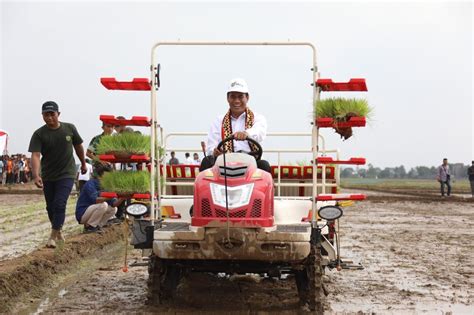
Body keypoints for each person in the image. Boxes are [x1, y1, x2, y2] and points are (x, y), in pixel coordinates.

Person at [28, 101, 87, 248]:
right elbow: (35, 155)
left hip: (67, 173)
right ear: (42, 115)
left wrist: (84, 163)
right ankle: (58, 229)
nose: (49, 118)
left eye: (52, 114)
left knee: (60, 203)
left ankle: (52, 237)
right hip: (48, 175)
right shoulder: (39, 134)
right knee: (50, 207)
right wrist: (36, 175)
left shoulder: (69, 129)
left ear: (58, 114)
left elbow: (78, 146)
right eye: (46, 115)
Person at [200, 78, 270, 172]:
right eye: (233, 97)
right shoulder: (218, 121)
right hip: (223, 163)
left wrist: (246, 133)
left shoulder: (257, 118)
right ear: (227, 98)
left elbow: (259, 132)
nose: (237, 101)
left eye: (240, 96)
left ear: (247, 97)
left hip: (250, 164)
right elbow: (211, 147)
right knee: (206, 162)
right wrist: (215, 152)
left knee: (264, 166)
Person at [75, 164, 125, 233]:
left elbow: (114, 204)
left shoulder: (106, 187)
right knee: (103, 205)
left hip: (93, 211)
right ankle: (89, 226)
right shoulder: (90, 184)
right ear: (99, 176)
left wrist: (123, 197)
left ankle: (97, 226)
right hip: (82, 214)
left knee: (113, 209)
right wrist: (111, 196)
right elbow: (96, 200)